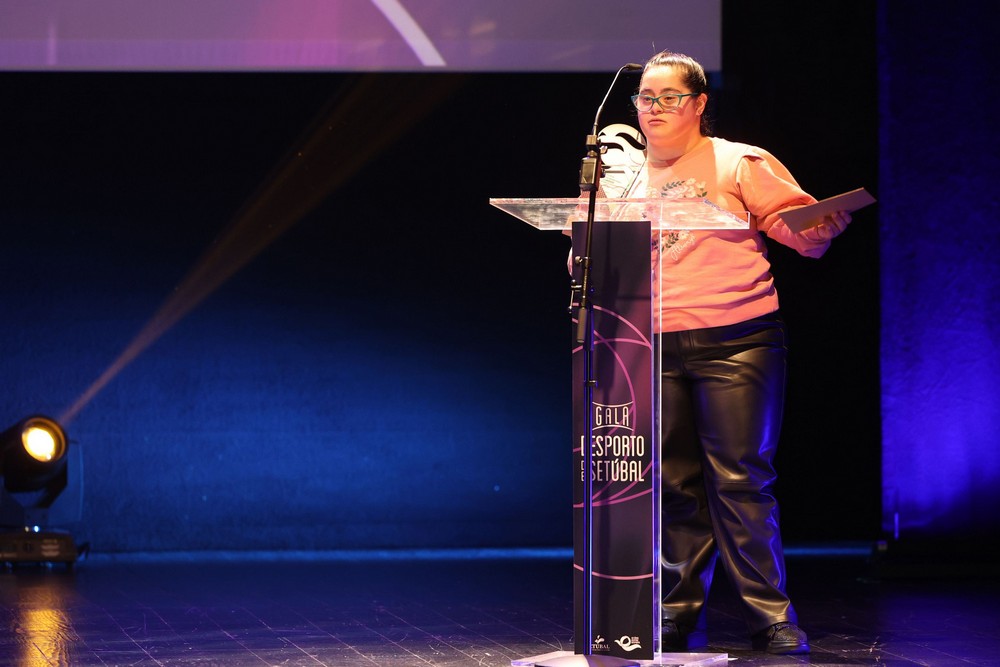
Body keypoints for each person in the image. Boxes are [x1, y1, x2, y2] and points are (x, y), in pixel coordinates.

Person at [608, 50, 853, 655]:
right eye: (645, 97)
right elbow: (592, 263)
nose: (654, 108)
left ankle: (769, 616)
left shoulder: (736, 160)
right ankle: (674, 615)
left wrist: (820, 224)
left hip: (737, 339)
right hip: (653, 343)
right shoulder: (626, 175)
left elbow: (801, 232)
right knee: (671, 485)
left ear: (698, 104)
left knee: (741, 482)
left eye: (668, 97)